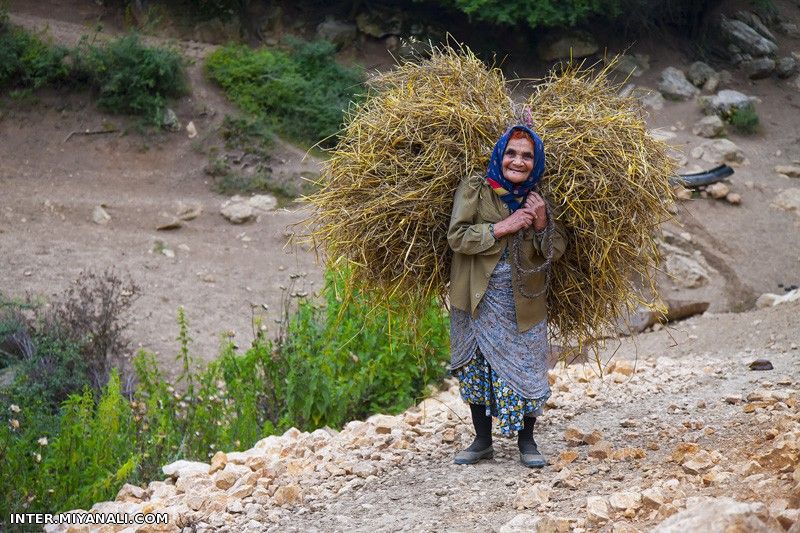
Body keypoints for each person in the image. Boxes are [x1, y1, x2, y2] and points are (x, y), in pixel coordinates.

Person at [447, 124, 567, 467]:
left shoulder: (541, 198)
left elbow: (556, 250)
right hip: (475, 298)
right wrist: (503, 226)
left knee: (527, 367)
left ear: (537, 161)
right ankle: (482, 440)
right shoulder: (475, 188)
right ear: (500, 155)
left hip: (523, 301)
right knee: (477, 366)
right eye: (511, 153)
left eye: (527, 155)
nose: (518, 161)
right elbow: (456, 237)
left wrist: (541, 223)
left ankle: (527, 442)